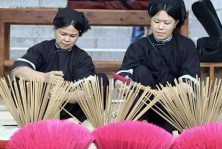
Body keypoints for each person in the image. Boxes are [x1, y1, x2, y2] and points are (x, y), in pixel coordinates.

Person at [115, 0, 200, 132]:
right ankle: (142, 123)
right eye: (156, 21)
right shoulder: (138, 46)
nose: (160, 27)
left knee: (171, 134)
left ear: (176, 23)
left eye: (167, 23)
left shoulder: (187, 46)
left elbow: (190, 78)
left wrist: (176, 90)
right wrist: (122, 84)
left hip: (173, 108)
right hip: (146, 107)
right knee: (140, 71)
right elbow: (124, 73)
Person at [11, 7, 109, 122]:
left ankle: (74, 123)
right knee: (19, 81)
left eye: (73, 36)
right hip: (40, 108)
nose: (67, 39)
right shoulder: (42, 49)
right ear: (55, 29)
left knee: (101, 80)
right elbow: (18, 68)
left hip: (72, 112)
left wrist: (65, 96)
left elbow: (87, 89)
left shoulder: (82, 57)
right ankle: (35, 121)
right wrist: (44, 77)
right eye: (63, 34)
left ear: (79, 35)